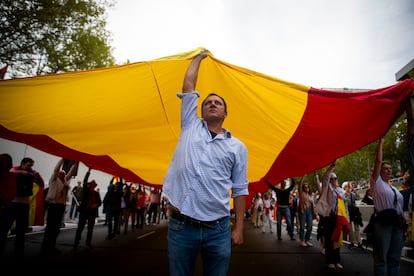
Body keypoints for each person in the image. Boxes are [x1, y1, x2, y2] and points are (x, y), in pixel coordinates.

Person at [162, 51, 249, 276]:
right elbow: (189, 84)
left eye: (217, 103)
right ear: (199, 111)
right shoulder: (190, 125)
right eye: (208, 102)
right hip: (182, 226)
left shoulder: (238, 147)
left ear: (225, 113)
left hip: (218, 230)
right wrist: (199, 57)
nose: (212, 104)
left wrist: (239, 227)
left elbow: (240, 189)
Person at [370, 138, 405, 276]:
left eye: (390, 169)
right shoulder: (376, 183)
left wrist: (404, 224)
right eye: (385, 169)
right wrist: (381, 143)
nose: (389, 170)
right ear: (379, 171)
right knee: (381, 259)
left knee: (395, 259)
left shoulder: (394, 189)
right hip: (383, 223)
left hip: (397, 225)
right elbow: (378, 161)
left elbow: (400, 208)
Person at [40, 158, 78, 255]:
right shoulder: (54, 180)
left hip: (61, 207)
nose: (63, 175)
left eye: (64, 174)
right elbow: (56, 169)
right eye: (61, 173)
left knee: (56, 229)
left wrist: (77, 161)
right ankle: (44, 248)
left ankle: (52, 247)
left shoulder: (65, 182)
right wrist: (62, 159)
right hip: (53, 206)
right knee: (50, 228)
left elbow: (71, 172)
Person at [317, 161, 349, 270]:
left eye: (335, 178)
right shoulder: (327, 189)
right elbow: (325, 176)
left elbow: (344, 205)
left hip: (338, 218)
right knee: (330, 239)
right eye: (331, 179)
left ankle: (337, 260)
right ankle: (330, 261)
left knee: (337, 239)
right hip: (329, 218)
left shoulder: (340, 191)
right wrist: (332, 165)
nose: (333, 180)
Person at [10, 157, 44, 256]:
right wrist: (21, 172)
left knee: (21, 230)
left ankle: (19, 252)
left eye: (31, 166)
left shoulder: (32, 173)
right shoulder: (14, 169)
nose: (30, 168)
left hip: (24, 204)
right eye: (28, 165)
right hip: (13, 203)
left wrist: (38, 176)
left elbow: (41, 184)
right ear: (23, 164)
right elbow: (8, 174)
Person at [74, 168, 102, 249]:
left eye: (94, 185)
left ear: (95, 186)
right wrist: (88, 171)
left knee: (90, 228)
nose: (92, 185)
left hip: (92, 212)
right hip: (84, 211)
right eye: (91, 184)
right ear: (89, 185)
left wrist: (96, 205)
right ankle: (76, 242)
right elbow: (85, 181)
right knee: (80, 227)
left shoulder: (96, 193)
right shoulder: (86, 190)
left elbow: (100, 202)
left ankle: (88, 243)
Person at [0, 153, 17, 255]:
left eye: (2, 161)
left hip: (4, 211)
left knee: (1, 236)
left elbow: (10, 195)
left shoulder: (11, 177)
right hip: (6, 209)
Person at [343, 182, 363, 249]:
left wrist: (357, 194)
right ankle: (352, 242)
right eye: (347, 186)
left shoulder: (353, 194)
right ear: (345, 187)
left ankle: (359, 242)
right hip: (348, 212)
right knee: (350, 228)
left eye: (350, 186)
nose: (349, 188)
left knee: (357, 227)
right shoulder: (344, 195)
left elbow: (358, 199)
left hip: (354, 212)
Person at [297, 177, 315, 247]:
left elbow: (313, 204)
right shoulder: (302, 194)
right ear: (303, 188)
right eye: (305, 187)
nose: (306, 188)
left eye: (307, 187)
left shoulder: (311, 195)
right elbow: (300, 185)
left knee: (310, 226)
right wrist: (303, 177)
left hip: (310, 211)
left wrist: (316, 214)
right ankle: (302, 240)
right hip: (303, 211)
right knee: (302, 226)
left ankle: (307, 240)